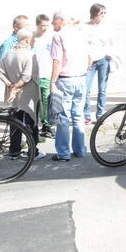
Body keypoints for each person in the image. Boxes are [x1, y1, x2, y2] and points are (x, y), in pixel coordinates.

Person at [0, 28, 44, 159]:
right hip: (28, 94)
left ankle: (14, 151)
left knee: (14, 122)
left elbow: (0, 72)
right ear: (28, 40)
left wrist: (9, 85)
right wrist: (16, 86)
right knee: (31, 123)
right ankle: (32, 151)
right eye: (33, 38)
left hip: (12, 96)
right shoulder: (30, 54)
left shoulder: (9, 53)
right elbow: (26, 77)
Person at [50, 12, 90, 162]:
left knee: (63, 117)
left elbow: (57, 61)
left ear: (60, 21)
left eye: (54, 21)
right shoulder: (80, 34)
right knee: (78, 115)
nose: (53, 25)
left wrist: (52, 81)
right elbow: (89, 58)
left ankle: (63, 153)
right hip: (81, 78)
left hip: (65, 79)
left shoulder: (58, 36)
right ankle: (80, 150)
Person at [83, 3, 113, 124]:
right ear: (95, 13)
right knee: (86, 89)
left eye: (105, 13)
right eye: (102, 13)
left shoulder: (106, 27)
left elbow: (111, 41)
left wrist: (110, 53)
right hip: (89, 61)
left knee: (102, 89)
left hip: (103, 59)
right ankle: (86, 115)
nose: (104, 15)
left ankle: (101, 115)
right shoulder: (84, 27)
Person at [33, 14, 54, 137]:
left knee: (46, 100)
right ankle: (34, 124)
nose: (45, 28)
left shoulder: (51, 37)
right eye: (42, 26)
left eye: (47, 25)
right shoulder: (33, 37)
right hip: (35, 75)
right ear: (37, 25)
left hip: (47, 73)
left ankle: (46, 125)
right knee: (36, 101)